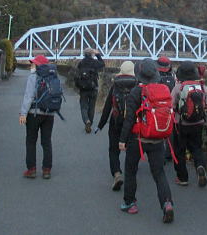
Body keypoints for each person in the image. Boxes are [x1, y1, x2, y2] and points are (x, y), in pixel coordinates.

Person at [119, 58, 174, 223]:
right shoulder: (163, 89)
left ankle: (130, 203)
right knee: (159, 173)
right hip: (158, 139)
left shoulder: (135, 92)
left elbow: (129, 119)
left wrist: (122, 140)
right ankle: (167, 203)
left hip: (138, 139)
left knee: (131, 169)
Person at [96, 60, 137, 191]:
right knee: (132, 151)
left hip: (115, 122)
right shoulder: (137, 85)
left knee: (113, 150)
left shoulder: (116, 85)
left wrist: (100, 125)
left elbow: (108, 106)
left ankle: (117, 173)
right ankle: (131, 176)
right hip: (132, 124)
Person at [171, 61, 207, 187]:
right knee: (197, 148)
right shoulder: (202, 86)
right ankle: (200, 166)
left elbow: (170, 105)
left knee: (180, 150)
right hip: (198, 123)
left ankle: (182, 178)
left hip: (181, 124)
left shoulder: (179, 87)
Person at [19, 55, 58, 179]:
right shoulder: (53, 76)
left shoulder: (33, 77)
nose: (32, 66)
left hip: (34, 113)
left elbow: (29, 96)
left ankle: (31, 170)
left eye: (33, 64)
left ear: (38, 65)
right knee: (46, 142)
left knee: (31, 141)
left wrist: (23, 113)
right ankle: (47, 170)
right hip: (49, 113)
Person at [75, 47, 105, 133]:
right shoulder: (94, 62)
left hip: (83, 88)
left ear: (84, 54)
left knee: (84, 106)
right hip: (93, 87)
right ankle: (90, 123)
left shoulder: (81, 63)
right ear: (92, 54)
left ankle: (86, 121)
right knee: (92, 107)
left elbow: (77, 75)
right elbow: (102, 64)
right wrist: (98, 54)